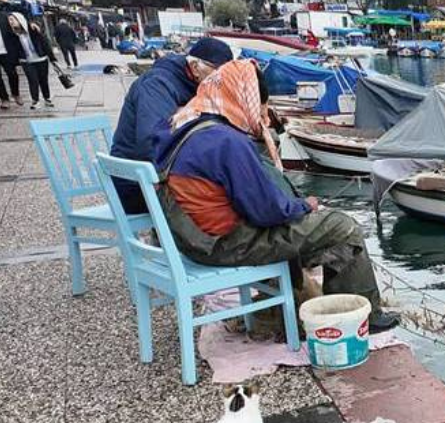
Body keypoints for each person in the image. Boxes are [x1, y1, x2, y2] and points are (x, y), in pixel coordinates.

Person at [153, 59, 399, 333]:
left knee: (304, 228)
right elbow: (267, 212)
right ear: (244, 98)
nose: (263, 114)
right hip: (224, 246)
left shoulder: (184, 125)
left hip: (191, 241)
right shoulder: (227, 141)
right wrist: (304, 205)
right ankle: (363, 317)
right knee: (342, 227)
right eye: (261, 105)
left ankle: (287, 309)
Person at [110, 37, 233, 213]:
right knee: (225, 201)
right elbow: (152, 142)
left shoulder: (199, 83)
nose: (222, 81)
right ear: (195, 67)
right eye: (219, 74)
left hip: (161, 174)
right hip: (137, 182)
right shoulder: (156, 84)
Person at [9, 14, 56, 109]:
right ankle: (35, 101)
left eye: (12, 19)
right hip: (26, 61)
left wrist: (52, 57)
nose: (10, 22)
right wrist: (15, 62)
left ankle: (47, 98)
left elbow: (44, 42)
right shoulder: (12, 34)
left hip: (41, 59)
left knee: (43, 80)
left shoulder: (33, 28)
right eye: (9, 20)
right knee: (32, 80)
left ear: (19, 19)